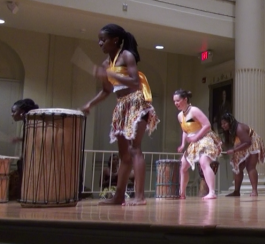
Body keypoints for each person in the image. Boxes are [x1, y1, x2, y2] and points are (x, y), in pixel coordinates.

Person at [80, 23, 159, 206]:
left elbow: (134, 82)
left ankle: (140, 196)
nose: (100, 43)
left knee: (135, 149)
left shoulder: (127, 56)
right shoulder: (106, 64)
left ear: (115, 40)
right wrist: (90, 104)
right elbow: (107, 90)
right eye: (99, 40)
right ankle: (119, 196)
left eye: (103, 39)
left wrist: (111, 74)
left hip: (136, 103)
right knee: (124, 155)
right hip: (121, 106)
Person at [173, 89, 223, 200]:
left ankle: (212, 192)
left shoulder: (194, 110)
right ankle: (182, 193)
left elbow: (207, 125)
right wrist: (182, 144)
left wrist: (196, 137)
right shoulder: (180, 116)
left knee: (204, 162)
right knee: (183, 166)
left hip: (204, 137)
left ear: (185, 99)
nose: (176, 103)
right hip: (194, 142)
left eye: (178, 100)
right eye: (174, 101)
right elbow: (186, 130)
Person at [220, 113, 265, 197]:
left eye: (224, 123)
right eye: (222, 124)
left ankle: (254, 191)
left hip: (253, 143)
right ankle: (236, 191)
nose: (223, 126)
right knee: (238, 167)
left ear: (230, 122)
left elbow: (248, 142)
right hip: (244, 144)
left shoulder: (239, 128)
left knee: (250, 166)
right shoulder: (231, 130)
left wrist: (234, 150)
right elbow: (236, 143)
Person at [10, 98, 39, 199]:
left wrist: (20, 139)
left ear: (22, 112)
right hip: (26, 158)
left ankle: (28, 197)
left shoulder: (32, 122)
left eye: (14, 111)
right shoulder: (27, 122)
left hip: (32, 159)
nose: (12, 114)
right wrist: (20, 139)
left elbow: (36, 138)